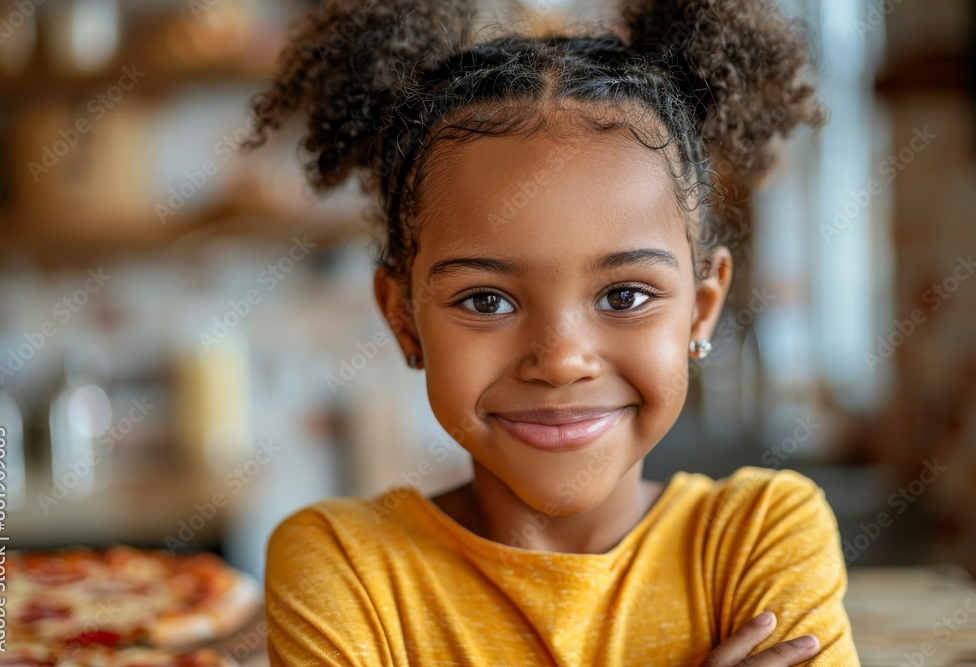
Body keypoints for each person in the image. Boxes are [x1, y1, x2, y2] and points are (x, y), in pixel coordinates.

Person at [245, 0, 859, 664]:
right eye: (486, 300)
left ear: (702, 307)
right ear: (403, 318)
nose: (561, 359)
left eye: (624, 295)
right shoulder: (343, 566)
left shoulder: (763, 534)